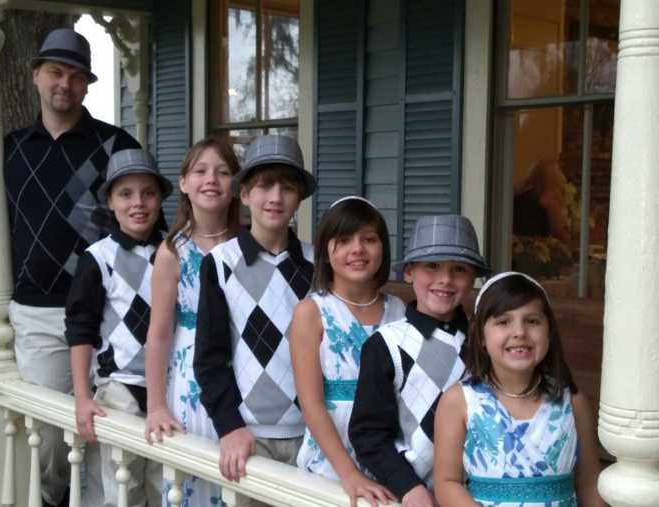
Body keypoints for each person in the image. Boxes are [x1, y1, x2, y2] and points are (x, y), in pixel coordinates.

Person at [0, 28, 141, 506]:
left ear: (87, 86)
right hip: (39, 313)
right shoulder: (12, 149)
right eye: (56, 72)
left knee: (113, 426)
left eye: (77, 76)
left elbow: (145, 226)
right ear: (36, 75)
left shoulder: (115, 145)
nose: (65, 83)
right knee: (51, 438)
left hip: (109, 312)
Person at [194, 134, 316, 486]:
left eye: (287, 188)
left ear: (300, 199)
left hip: (313, 433)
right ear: (244, 194)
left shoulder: (318, 265)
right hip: (249, 435)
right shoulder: (220, 263)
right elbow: (209, 358)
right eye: (264, 186)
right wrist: (229, 425)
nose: (275, 197)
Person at [350, 215, 490, 507]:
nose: (445, 279)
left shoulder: (485, 342)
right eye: (432, 266)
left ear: (473, 277)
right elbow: (368, 435)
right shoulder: (385, 345)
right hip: (409, 496)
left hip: (476, 497)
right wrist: (408, 487)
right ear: (410, 272)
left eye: (459, 269)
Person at [433, 272, 604, 507]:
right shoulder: (459, 401)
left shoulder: (572, 401)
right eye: (503, 322)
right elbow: (447, 483)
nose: (519, 332)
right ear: (481, 335)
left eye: (532, 321)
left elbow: (589, 483)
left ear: (549, 331)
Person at [65, 149, 172, 507]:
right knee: (122, 489)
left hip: (171, 388)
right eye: (125, 194)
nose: (138, 203)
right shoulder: (97, 258)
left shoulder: (176, 251)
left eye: (148, 193)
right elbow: (80, 329)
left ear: (160, 199)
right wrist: (82, 396)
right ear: (110, 201)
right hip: (119, 390)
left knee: (165, 487)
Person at [142, 138, 241, 506]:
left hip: (240, 371)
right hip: (189, 379)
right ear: (184, 183)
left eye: (223, 171)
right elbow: (160, 332)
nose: (211, 179)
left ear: (237, 185)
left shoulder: (246, 245)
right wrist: (155, 405)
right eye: (200, 171)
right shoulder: (173, 251)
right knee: (194, 481)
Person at [289, 195, 406, 507]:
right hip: (332, 463)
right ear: (326, 251)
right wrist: (349, 473)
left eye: (369, 239)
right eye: (343, 240)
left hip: (387, 457)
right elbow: (311, 403)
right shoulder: (311, 312)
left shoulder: (399, 312)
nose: (357, 249)